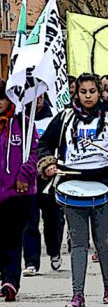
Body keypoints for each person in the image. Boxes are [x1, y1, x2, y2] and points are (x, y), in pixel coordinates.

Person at [37, 73, 108, 307]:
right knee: (78, 243)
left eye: (92, 91)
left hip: (104, 184)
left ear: (98, 91)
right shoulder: (65, 117)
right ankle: (78, 294)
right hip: (71, 184)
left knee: (102, 241)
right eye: (83, 92)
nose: (88, 96)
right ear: (77, 93)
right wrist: (48, 164)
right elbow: (45, 144)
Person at [0, 81, 39, 302]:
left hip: (17, 193)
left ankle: (10, 281)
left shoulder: (24, 124)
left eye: (2, 98)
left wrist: (25, 176)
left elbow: (34, 153)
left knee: (12, 238)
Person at [22, 95, 64, 278]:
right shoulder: (20, 119)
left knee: (53, 218)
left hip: (49, 177)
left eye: (39, 96)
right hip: (28, 177)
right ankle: (31, 261)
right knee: (29, 220)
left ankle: (54, 251)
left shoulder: (53, 116)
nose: (36, 99)